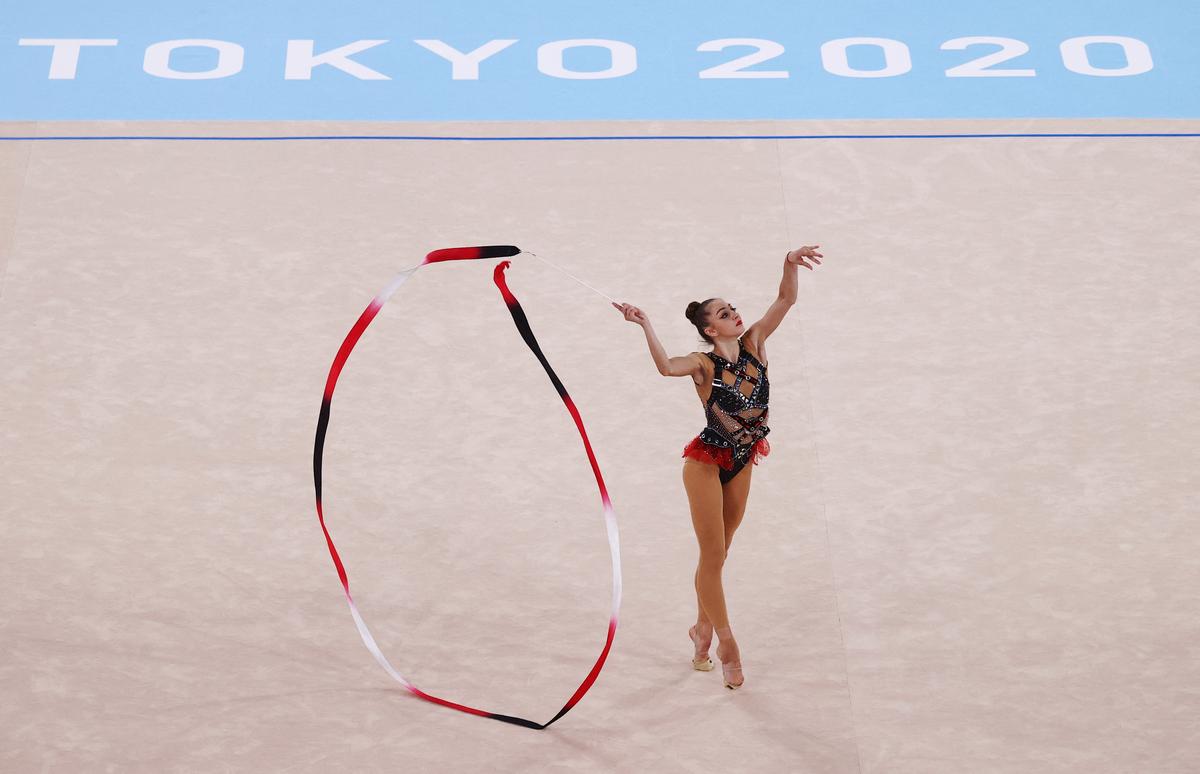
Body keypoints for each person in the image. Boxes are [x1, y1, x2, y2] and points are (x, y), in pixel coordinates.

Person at [612, 245, 824, 690]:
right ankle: (727, 642)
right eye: (724, 313)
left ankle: (700, 630)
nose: (735, 314)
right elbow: (667, 367)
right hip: (706, 463)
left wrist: (787, 261)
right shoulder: (703, 364)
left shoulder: (757, 344)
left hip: (743, 458)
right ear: (709, 328)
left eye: (733, 309)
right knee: (712, 555)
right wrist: (645, 324)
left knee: (721, 555)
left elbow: (785, 300)